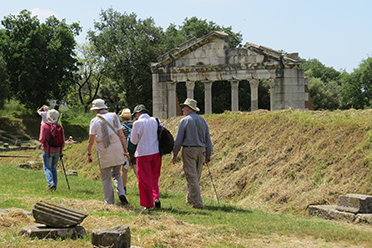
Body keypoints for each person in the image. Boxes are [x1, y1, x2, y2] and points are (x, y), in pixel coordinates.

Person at [172, 98, 213, 209]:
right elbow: (207, 139)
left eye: (184, 107)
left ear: (189, 109)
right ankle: (190, 199)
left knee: (192, 177)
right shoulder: (203, 120)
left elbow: (178, 140)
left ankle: (198, 203)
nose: (182, 109)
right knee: (196, 176)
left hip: (189, 150)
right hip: (202, 150)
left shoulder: (184, 121)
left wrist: (174, 154)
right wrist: (208, 154)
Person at [87, 99, 130, 205]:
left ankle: (109, 201)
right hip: (116, 147)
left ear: (96, 110)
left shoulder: (94, 121)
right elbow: (121, 135)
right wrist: (125, 151)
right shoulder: (114, 116)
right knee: (117, 173)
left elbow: (91, 140)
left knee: (106, 177)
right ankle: (121, 193)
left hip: (104, 148)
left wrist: (89, 153)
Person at [130, 104, 162, 210]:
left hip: (143, 153)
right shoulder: (156, 120)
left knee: (144, 180)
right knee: (154, 177)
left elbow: (133, 141)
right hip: (156, 152)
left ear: (138, 114)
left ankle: (148, 204)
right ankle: (155, 198)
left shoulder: (137, 123)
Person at [39, 109, 65, 191]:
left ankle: (51, 183)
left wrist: (43, 143)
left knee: (47, 168)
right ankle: (55, 187)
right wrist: (61, 150)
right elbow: (63, 141)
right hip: (57, 150)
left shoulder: (44, 126)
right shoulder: (59, 127)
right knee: (54, 168)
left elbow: (41, 139)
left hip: (47, 150)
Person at [119, 108, 138, 194]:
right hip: (135, 149)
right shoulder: (135, 125)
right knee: (136, 168)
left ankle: (123, 188)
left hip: (125, 151)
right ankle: (143, 186)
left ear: (123, 118)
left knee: (124, 170)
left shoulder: (122, 127)